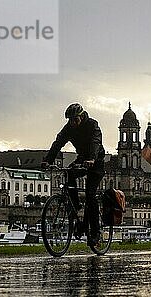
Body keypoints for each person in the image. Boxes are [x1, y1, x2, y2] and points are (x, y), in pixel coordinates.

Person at [41, 103, 105, 247]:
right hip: (82, 159)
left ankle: (95, 233)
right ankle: (75, 206)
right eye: (70, 120)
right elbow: (58, 143)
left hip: (96, 161)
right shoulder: (69, 128)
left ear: (82, 116)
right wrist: (48, 160)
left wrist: (92, 159)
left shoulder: (92, 125)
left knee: (90, 195)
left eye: (74, 119)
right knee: (69, 174)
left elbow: (95, 142)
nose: (72, 123)